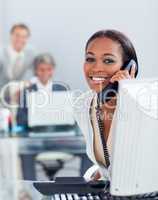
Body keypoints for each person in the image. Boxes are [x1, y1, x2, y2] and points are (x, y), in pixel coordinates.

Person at [74, 29, 138, 181]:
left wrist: (130, 98)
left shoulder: (143, 106)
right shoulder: (82, 105)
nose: (96, 68)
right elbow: (105, 165)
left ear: (128, 67)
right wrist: (98, 174)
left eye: (108, 60)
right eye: (90, 59)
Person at [16, 53, 69, 130]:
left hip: (57, 134)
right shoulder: (26, 91)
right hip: (34, 134)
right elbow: (20, 119)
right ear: (36, 71)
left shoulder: (62, 89)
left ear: (53, 69)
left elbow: (69, 116)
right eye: (41, 70)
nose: (45, 73)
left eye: (49, 69)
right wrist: (35, 120)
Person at [0, 23, 36, 89]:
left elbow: (36, 72)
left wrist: (29, 81)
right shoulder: (1, 53)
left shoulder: (31, 54)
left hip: (20, 92)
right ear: (11, 36)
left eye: (24, 37)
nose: (20, 39)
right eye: (17, 35)